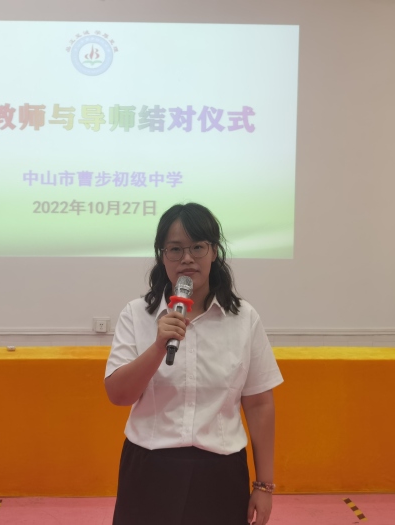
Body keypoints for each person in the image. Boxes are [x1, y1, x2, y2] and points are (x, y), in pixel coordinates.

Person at [105, 203, 283, 525]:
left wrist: (264, 485)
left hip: (220, 474)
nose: (186, 258)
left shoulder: (243, 318)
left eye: (197, 247)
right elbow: (118, 395)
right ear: (162, 256)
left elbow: (259, 404)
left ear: (214, 251)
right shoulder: (137, 314)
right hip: (149, 471)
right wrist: (158, 347)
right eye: (175, 249)